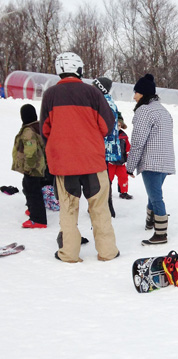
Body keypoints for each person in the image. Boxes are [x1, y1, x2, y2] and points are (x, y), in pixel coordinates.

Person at [40, 52, 119, 263]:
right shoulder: (93, 93)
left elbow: (45, 130)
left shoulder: (50, 95)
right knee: (99, 208)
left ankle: (69, 253)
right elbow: (107, 125)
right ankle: (107, 252)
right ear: (79, 69)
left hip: (64, 165)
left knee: (68, 210)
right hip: (93, 162)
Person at [126, 73, 175, 245]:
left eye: (136, 93)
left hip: (151, 161)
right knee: (153, 193)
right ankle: (150, 221)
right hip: (165, 161)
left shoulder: (144, 111)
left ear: (144, 94)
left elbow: (138, 141)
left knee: (156, 197)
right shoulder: (163, 111)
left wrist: (129, 166)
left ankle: (160, 234)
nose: (134, 97)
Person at [12, 103, 48, 228]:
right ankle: (32, 209)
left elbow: (30, 151)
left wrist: (29, 167)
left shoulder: (28, 131)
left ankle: (38, 219)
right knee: (29, 188)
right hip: (39, 165)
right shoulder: (37, 126)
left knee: (32, 191)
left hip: (33, 167)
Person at [93, 76, 121, 218]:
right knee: (103, 176)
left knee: (102, 177)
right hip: (106, 145)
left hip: (103, 145)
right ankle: (106, 205)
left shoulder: (103, 103)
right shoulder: (108, 101)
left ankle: (106, 206)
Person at [113, 112, 132, 200]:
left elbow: (128, 147)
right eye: (116, 125)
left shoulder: (124, 136)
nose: (118, 127)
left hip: (121, 162)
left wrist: (128, 156)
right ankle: (106, 193)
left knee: (124, 177)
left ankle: (123, 192)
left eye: (119, 125)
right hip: (110, 163)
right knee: (108, 178)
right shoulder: (109, 136)